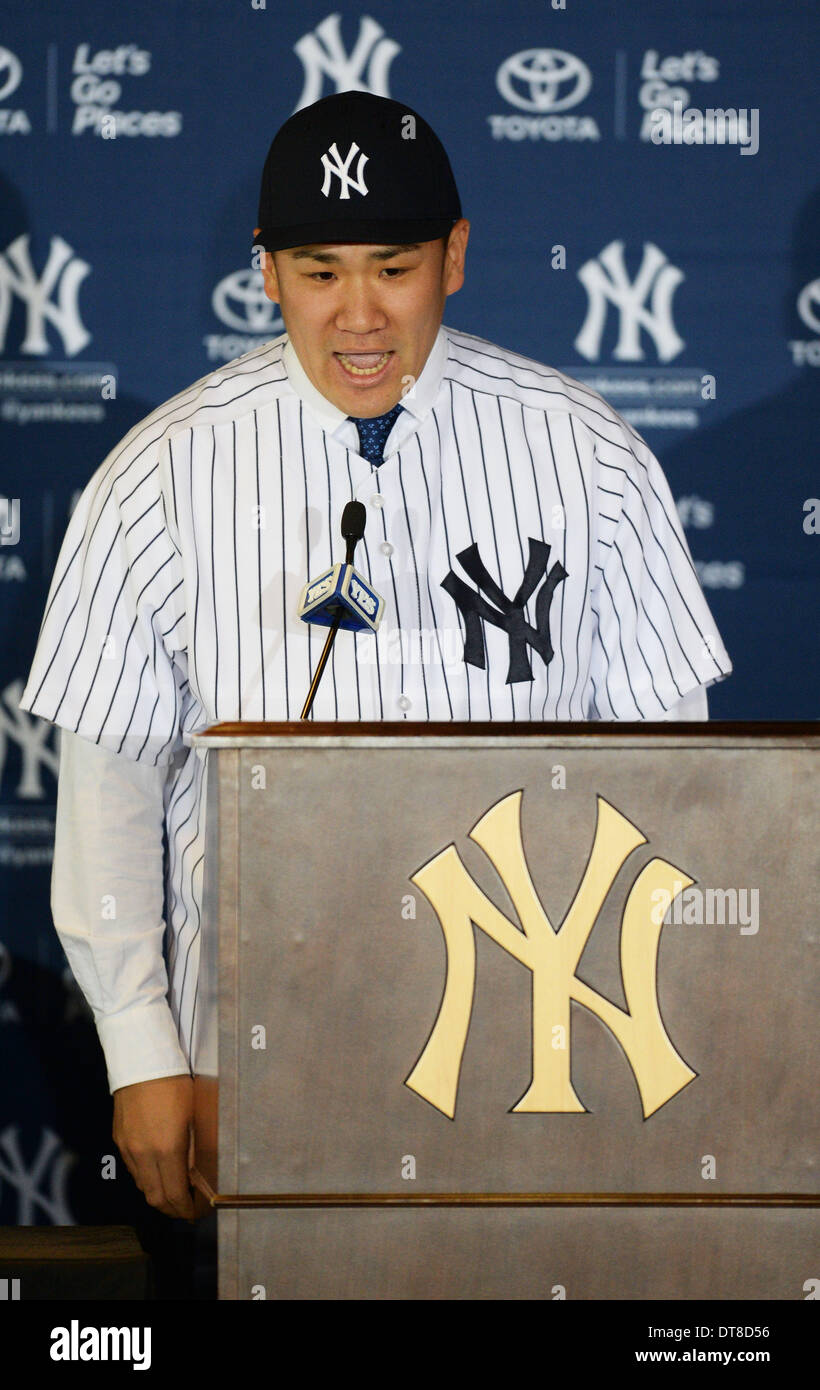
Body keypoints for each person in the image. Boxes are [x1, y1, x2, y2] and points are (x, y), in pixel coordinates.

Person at [18, 91, 732, 1220]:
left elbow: (678, 793)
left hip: (538, 1054)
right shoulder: (159, 471)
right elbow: (109, 789)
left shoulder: (589, 454)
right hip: (251, 1048)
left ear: (453, 256)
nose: (358, 314)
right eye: (319, 271)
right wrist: (142, 1046)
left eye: (392, 267)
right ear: (264, 271)